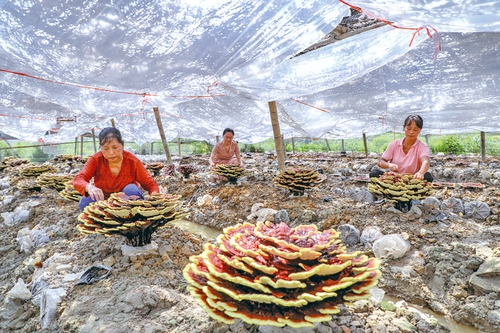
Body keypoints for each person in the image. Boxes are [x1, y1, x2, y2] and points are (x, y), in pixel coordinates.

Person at [73, 127, 160, 210]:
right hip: (103, 198)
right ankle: (104, 216)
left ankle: (131, 215)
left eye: (115, 147)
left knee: (131, 189)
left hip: (127, 199)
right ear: (101, 148)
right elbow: (79, 179)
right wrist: (89, 187)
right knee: (84, 203)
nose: (111, 153)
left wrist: (154, 197)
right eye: (106, 149)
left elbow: (150, 184)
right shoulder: (96, 160)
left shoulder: (132, 161)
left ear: (122, 144)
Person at [369, 114, 433, 182]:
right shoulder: (394, 144)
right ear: (404, 127)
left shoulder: (422, 147)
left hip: (412, 181)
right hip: (393, 180)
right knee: (374, 173)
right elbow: (381, 162)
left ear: (420, 130)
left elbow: (426, 161)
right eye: (408, 128)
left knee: (427, 176)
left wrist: (420, 173)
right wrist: (389, 165)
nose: (411, 132)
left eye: (415, 130)